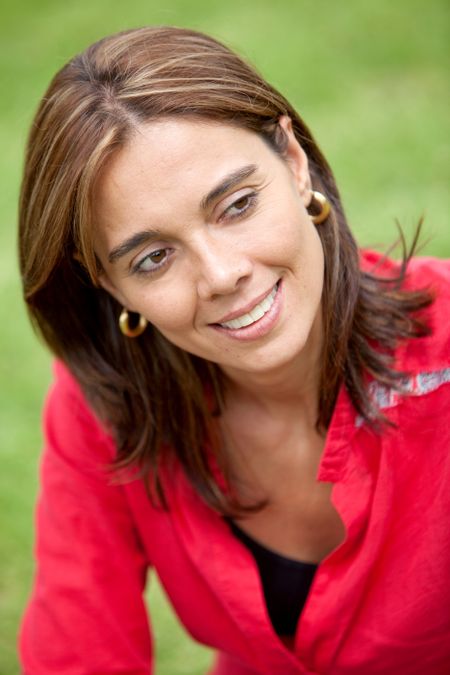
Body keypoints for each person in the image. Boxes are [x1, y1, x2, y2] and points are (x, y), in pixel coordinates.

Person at [18, 25, 450, 675]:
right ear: (108, 282)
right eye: (154, 256)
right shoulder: (106, 402)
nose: (221, 274)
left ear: (295, 162)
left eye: (238, 204)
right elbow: (78, 652)